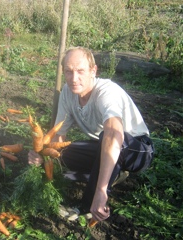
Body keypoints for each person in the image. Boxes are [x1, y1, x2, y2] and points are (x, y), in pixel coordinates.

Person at [28, 46, 154, 223]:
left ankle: (87, 205)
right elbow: (58, 135)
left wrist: (101, 190)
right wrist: (43, 156)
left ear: (93, 71)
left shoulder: (106, 92)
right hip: (103, 147)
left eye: (80, 71)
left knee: (108, 138)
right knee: (62, 152)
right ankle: (113, 174)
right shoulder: (67, 92)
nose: (74, 78)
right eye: (69, 72)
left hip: (137, 149)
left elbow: (113, 133)